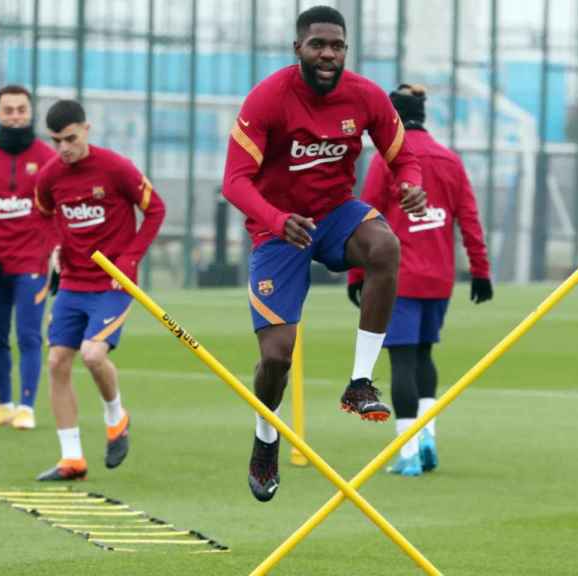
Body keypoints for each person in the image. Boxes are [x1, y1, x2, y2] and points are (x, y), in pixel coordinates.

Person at [222, 5, 426, 503]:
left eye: (337, 45)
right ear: (299, 49)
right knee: (275, 358)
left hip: (334, 214)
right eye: (318, 44)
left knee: (384, 246)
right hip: (279, 228)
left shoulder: (366, 96)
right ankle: (265, 440)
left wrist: (412, 186)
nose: (328, 53)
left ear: (345, 49)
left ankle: (359, 383)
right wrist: (275, 220)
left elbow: (403, 156)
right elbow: (234, 182)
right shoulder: (268, 98)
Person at [348, 84, 493, 476]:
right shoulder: (450, 160)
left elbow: (366, 216)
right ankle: (427, 437)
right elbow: (470, 218)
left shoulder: (386, 160)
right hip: (440, 276)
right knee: (426, 355)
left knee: (402, 361)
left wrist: (357, 273)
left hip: (401, 277)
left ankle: (408, 451)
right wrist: (480, 270)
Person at [33, 99, 165, 481]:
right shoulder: (50, 176)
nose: (63, 148)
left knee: (92, 355)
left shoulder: (115, 168)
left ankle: (115, 416)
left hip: (112, 284)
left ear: (86, 130)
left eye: (70, 138)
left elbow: (155, 209)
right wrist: (55, 245)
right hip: (73, 283)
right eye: (56, 140)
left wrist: (130, 259)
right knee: (57, 361)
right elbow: (43, 215)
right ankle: (71, 459)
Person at [0, 84, 58, 430]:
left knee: (30, 335)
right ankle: (4, 404)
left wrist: (52, 253)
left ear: (31, 112)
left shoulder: (48, 157)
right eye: (9, 110)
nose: (16, 116)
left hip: (32, 263)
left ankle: (26, 407)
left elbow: (58, 209)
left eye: (21, 109)